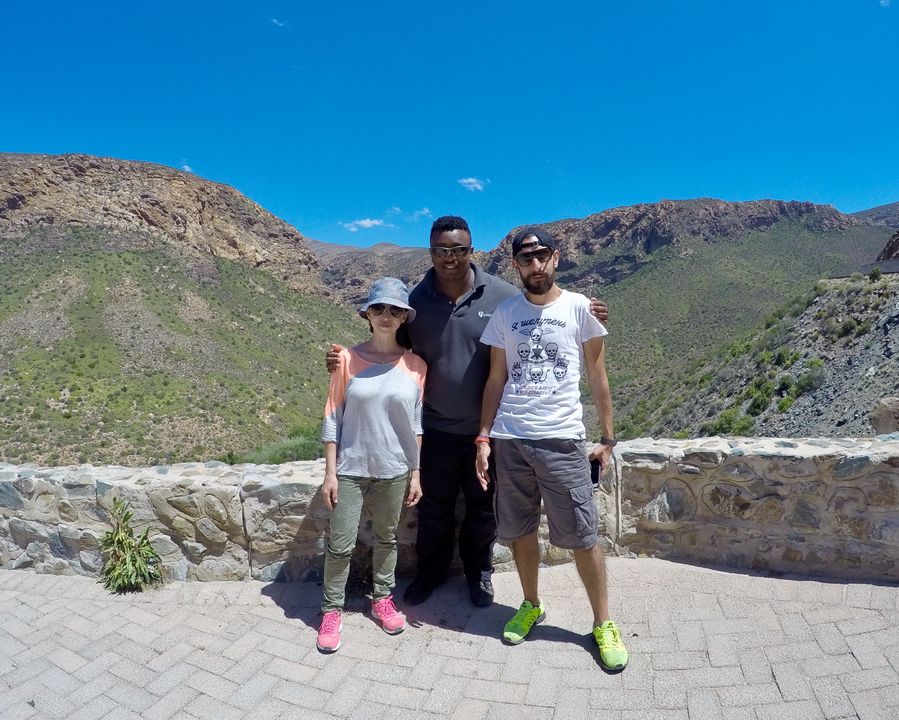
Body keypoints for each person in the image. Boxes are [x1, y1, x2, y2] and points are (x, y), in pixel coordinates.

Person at [327, 216, 609, 609]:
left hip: (489, 430)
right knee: (433, 508)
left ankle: (479, 574)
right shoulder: (416, 301)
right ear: (430, 253)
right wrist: (345, 359)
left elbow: (543, 311)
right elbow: (389, 345)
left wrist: (590, 311)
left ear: (470, 251)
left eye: (459, 250)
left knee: (482, 508)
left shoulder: (502, 296)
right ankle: (431, 573)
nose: (450, 257)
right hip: (434, 427)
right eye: (441, 250)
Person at [474, 226, 628, 671]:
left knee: (583, 534)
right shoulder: (506, 314)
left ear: (556, 257)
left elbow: (598, 376)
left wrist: (607, 439)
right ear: (516, 265)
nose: (535, 264)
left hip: (562, 439)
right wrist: (483, 437)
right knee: (520, 530)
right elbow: (496, 380)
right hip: (511, 439)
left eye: (541, 255)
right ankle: (531, 604)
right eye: (526, 258)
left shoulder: (580, 308)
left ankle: (602, 623)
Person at [317, 277, 426, 653]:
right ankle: (331, 609)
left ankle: (382, 599)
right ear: (367, 314)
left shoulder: (416, 366)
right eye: (378, 308)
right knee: (340, 545)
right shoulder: (345, 359)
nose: (386, 315)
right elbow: (332, 416)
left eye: (395, 309)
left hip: (394, 468)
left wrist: (416, 472)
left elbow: (416, 425)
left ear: (404, 317)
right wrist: (330, 472)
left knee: (387, 539)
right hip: (350, 467)